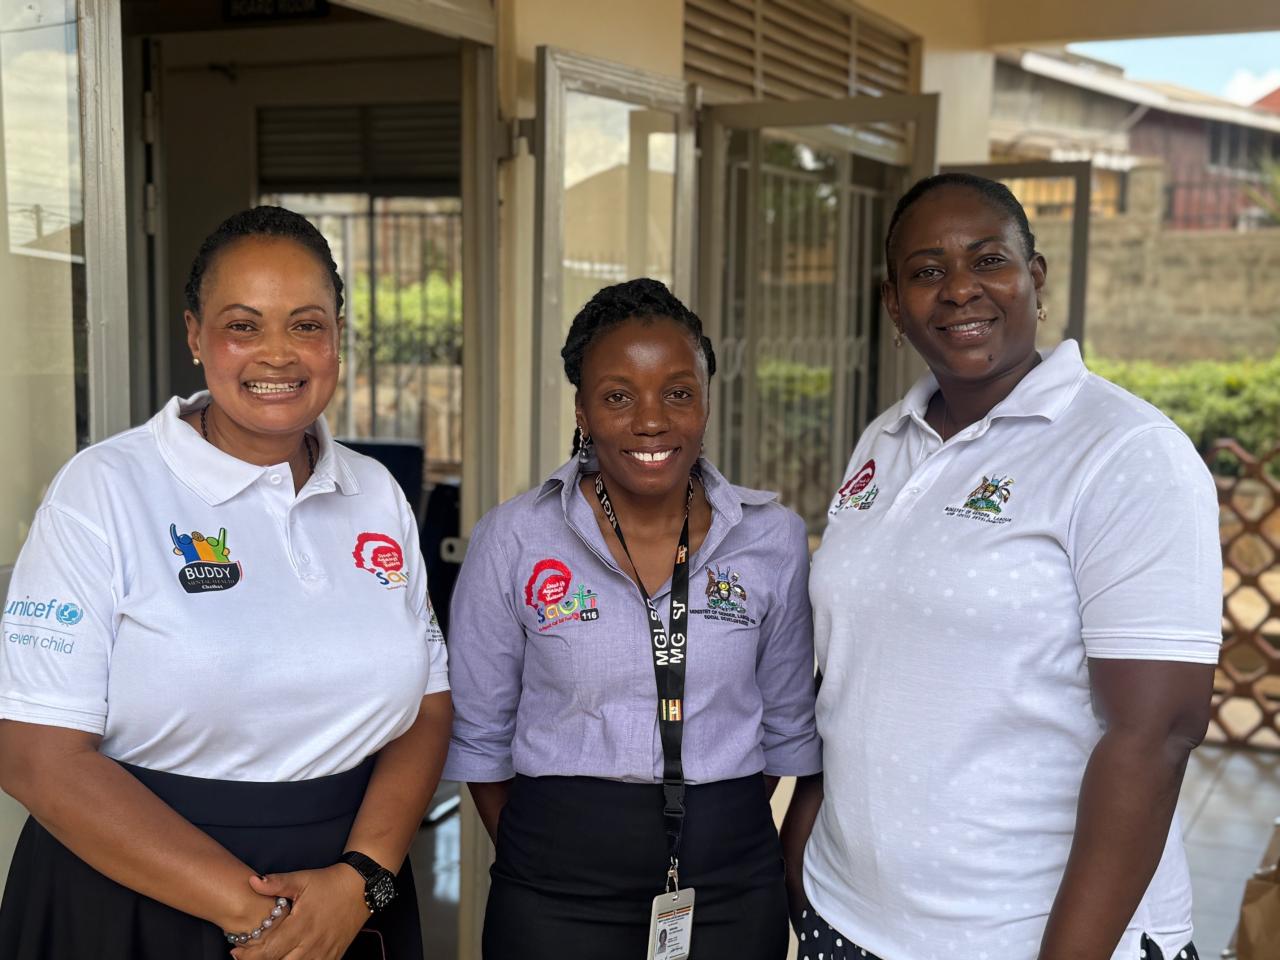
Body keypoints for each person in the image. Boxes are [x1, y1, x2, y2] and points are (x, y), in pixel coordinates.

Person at [783, 173, 1221, 960]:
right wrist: (802, 848)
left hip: (1026, 938)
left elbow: (1157, 734)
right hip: (847, 920)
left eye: (989, 260)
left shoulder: (1126, 453)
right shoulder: (886, 438)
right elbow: (850, 669)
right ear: (894, 305)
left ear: (1034, 278)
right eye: (927, 271)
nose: (960, 289)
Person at [0, 206, 452, 960]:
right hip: (133, 903)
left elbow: (429, 707)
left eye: (306, 325)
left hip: (346, 903)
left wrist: (364, 878)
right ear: (195, 335)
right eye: (243, 325)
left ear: (338, 336)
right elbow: (36, 757)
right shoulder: (104, 491)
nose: (277, 353)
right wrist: (262, 918)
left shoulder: (375, 493)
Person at [445, 278, 821, 959]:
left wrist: (714, 830)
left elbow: (786, 726)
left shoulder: (774, 540)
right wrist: (549, 853)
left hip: (730, 884)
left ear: (706, 401)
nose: (651, 421)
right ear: (583, 410)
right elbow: (481, 734)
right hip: (554, 889)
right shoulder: (514, 538)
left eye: (678, 393)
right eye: (618, 396)